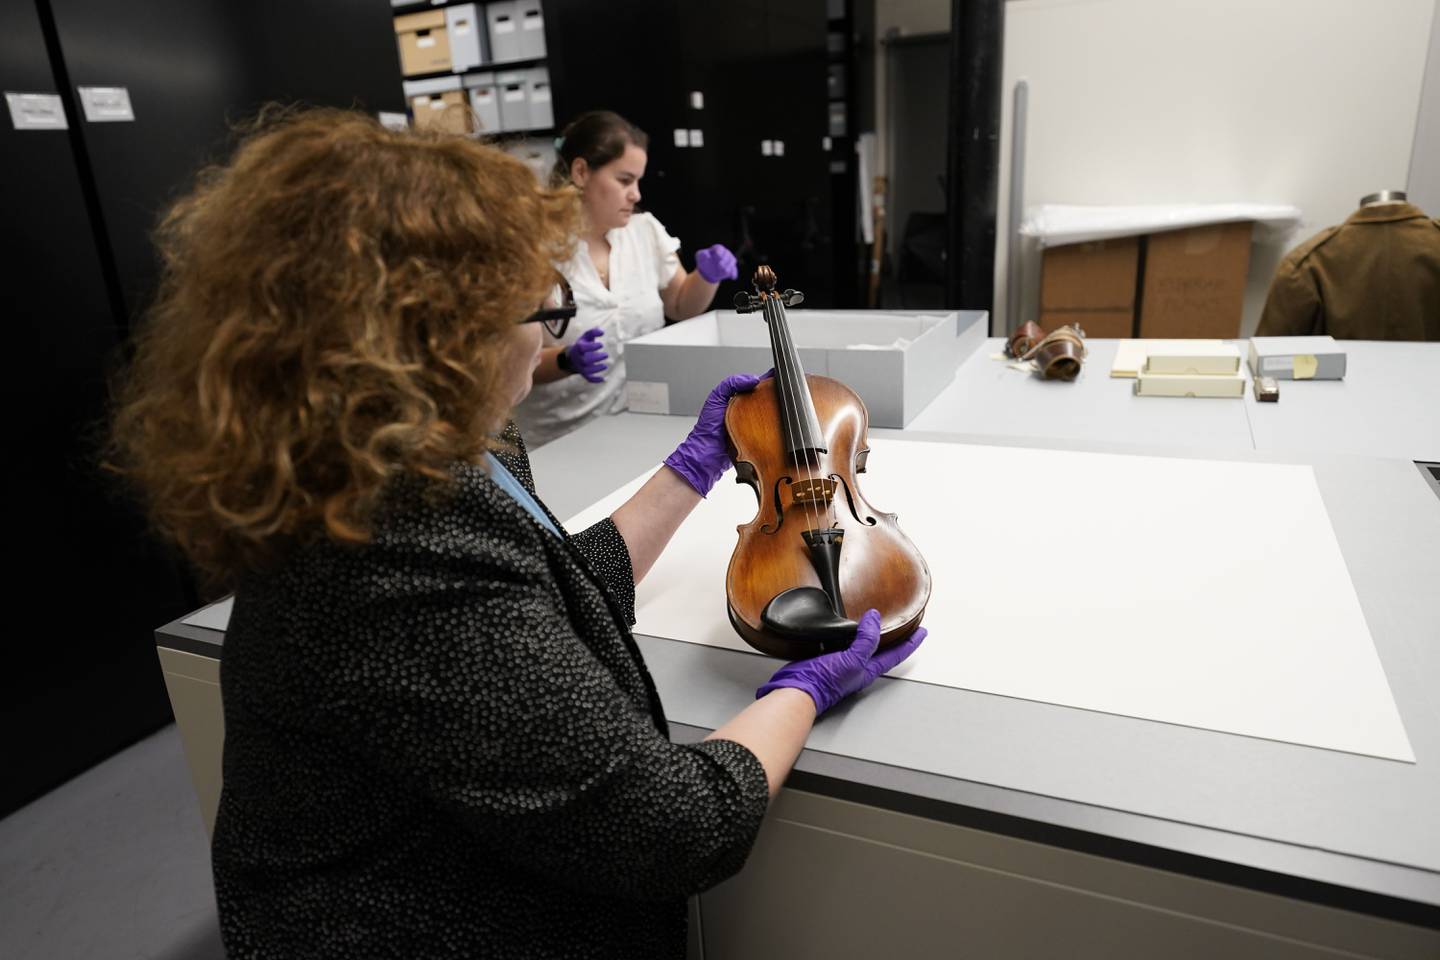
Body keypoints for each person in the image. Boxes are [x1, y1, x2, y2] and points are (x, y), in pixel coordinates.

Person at [106, 108, 925, 959]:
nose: (546, 334)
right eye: (543, 307)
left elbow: (560, 581)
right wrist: (803, 693)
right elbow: (671, 828)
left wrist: (695, 465)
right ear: (444, 339)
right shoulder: (400, 549)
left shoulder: (441, 457)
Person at [516, 110, 741, 447]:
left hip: (637, 422)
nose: (635, 194)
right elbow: (513, 361)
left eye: (637, 181)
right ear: (581, 172)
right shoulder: (532, 247)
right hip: (557, 439)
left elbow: (680, 304)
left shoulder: (644, 231)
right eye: (624, 180)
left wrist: (706, 278)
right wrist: (566, 360)